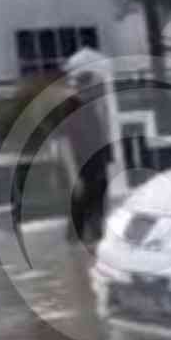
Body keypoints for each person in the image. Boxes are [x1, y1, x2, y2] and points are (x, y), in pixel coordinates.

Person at [59, 63, 113, 245]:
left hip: (97, 163)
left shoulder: (93, 107)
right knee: (81, 203)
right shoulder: (71, 109)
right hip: (81, 164)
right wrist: (73, 175)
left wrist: (108, 159)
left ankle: (95, 238)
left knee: (98, 203)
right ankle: (77, 242)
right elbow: (65, 144)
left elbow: (101, 135)